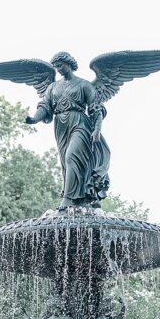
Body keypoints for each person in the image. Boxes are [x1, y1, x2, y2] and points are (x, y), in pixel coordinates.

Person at [26, 51, 111, 210]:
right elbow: (45, 106)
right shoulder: (53, 87)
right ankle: (82, 196)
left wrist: (97, 129)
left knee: (72, 156)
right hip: (60, 126)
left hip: (80, 123)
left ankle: (68, 199)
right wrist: (34, 119)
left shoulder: (84, 85)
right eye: (55, 66)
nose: (58, 69)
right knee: (66, 162)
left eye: (60, 65)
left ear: (69, 64)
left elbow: (96, 108)